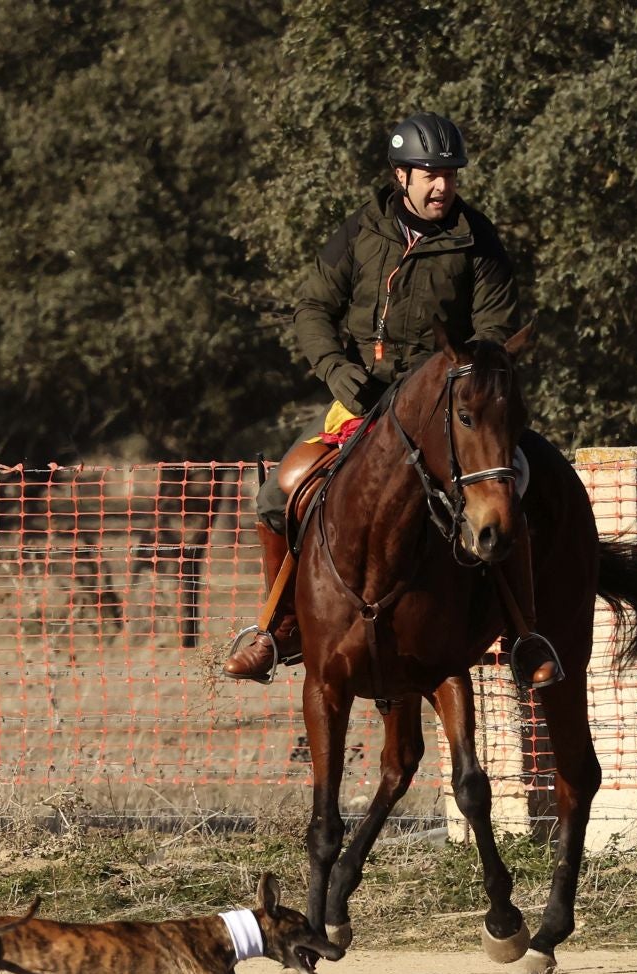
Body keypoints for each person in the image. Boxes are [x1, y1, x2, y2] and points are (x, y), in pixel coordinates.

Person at [223, 112, 560, 687]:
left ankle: (524, 635)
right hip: (361, 400)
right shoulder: (358, 232)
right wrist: (338, 371)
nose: (442, 186)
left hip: (447, 408)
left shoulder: (480, 241)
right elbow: (312, 311)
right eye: (429, 174)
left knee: (516, 485)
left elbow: (494, 333)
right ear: (400, 176)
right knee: (278, 494)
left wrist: (460, 377)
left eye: (449, 175)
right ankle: (278, 628)